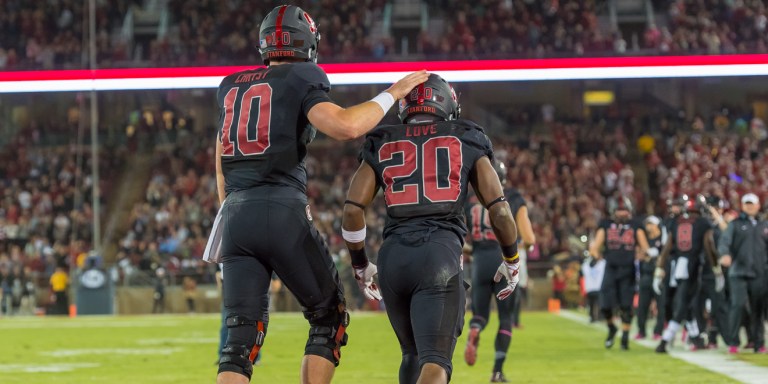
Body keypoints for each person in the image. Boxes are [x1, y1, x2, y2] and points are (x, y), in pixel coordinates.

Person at [209, 5, 430, 384]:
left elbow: (219, 162)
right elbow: (346, 126)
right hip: (279, 207)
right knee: (329, 316)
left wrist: (230, 226)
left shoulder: (231, 85)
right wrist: (393, 92)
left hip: (234, 214)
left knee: (238, 342)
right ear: (307, 42)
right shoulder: (301, 76)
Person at [342, 74, 520, 384]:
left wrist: (360, 264)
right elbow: (501, 211)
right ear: (449, 105)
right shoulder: (466, 136)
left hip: (392, 258)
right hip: (438, 254)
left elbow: (352, 209)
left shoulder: (383, 138)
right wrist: (512, 260)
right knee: (436, 363)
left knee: (411, 356)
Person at [462, 160, 535, 382]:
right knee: (505, 318)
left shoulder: (469, 200)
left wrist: (473, 250)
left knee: (480, 315)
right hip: (503, 258)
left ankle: (475, 329)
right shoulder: (512, 198)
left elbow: (458, 240)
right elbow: (530, 239)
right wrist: (519, 246)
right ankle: (497, 371)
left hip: (479, 261)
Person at [654, 196, 723, 353]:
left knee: (688, 303)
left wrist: (659, 269)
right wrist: (717, 269)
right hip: (693, 266)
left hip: (677, 266)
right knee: (684, 304)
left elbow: (667, 247)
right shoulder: (702, 223)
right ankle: (665, 340)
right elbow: (709, 245)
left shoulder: (676, 222)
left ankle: (696, 338)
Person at [589, 196, 649, 350]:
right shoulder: (606, 225)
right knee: (606, 306)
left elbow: (645, 247)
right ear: (613, 211)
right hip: (611, 268)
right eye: (619, 210)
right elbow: (595, 246)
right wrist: (596, 256)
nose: (622, 214)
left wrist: (643, 256)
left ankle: (625, 337)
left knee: (626, 306)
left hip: (628, 270)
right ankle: (611, 329)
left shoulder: (636, 225)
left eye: (625, 210)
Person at [717, 193, 768, 354]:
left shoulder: (763, 225)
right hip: (738, 272)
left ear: (758, 205)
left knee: (757, 308)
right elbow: (725, 242)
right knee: (737, 305)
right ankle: (733, 342)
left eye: (752, 204)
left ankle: (758, 343)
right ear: (742, 205)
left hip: (759, 272)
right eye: (746, 204)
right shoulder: (735, 224)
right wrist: (724, 254)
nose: (749, 206)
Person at [635, 216, 665, 339]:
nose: (649, 226)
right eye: (647, 224)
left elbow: (660, 254)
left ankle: (658, 331)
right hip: (646, 274)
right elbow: (640, 255)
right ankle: (641, 331)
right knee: (642, 305)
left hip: (658, 275)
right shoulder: (645, 239)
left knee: (661, 305)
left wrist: (649, 254)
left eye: (651, 224)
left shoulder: (663, 238)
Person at [582, 256, 606, 323]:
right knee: (598, 303)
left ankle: (592, 317)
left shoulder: (586, 266)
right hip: (597, 287)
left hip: (590, 288)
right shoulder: (601, 264)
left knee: (592, 304)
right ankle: (599, 316)